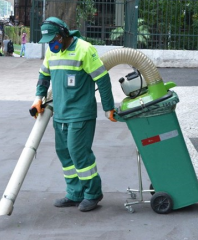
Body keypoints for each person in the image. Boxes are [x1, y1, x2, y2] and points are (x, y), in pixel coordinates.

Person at [30, 17, 117, 212]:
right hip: (60, 113)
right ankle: (75, 193)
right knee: (64, 154)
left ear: (61, 36)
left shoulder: (85, 49)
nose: (50, 45)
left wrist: (108, 107)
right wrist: (38, 98)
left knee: (79, 153)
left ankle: (93, 193)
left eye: (52, 41)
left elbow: (102, 79)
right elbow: (43, 76)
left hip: (80, 113)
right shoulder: (51, 54)